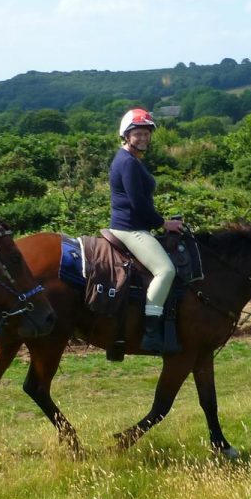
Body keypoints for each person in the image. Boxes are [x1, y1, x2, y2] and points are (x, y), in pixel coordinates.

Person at [109, 108, 185, 354]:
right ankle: (151, 330)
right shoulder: (128, 163)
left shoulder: (130, 159)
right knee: (166, 270)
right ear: (127, 135)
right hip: (131, 229)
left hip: (132, 225)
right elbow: (138, 204)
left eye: (146, 133)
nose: (143, 138)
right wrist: (164, 223)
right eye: (138, 133)